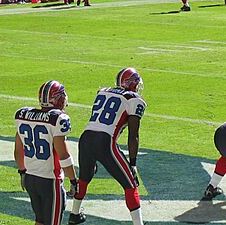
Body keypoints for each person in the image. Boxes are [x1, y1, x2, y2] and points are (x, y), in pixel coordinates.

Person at [68, 68, 147, 225]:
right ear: (132, 84)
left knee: (84, 178)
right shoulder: (134, 99)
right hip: (105, 141)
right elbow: (133, 135)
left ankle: (74, 214)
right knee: (130, 184)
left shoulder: (102, 91)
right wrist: (133, 163)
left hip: (85, 138)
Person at [14, 80, 78, 225]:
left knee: (40, 221)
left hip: (31, 178)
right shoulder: (57, 119)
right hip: (50, 181)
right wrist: (74, 180)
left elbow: (18, 151)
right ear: (57, 99)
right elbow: (64, 156)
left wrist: (22, 171)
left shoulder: (23, 115)